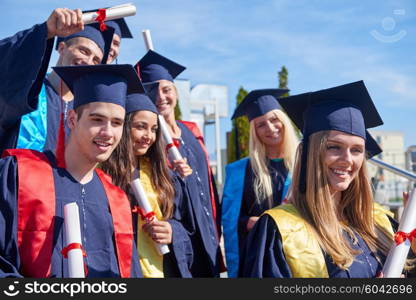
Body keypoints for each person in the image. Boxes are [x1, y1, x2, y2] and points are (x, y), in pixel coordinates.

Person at [241, 80, 416, 278]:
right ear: (311, 153)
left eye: (357, 150)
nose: (347, 160)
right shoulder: (280, 230)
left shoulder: (380, 221)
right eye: (334, 147)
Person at [0, 64, 143, 277]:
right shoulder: (20, 175)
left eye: (117, 123)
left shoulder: (117, 199)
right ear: (73, 119)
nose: (108, 132)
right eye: (97, 119)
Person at [135, 50, 223, 277]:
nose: (160, 97)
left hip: (208, 232)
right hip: (177, 241)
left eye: (166, 89)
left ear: (176, 92)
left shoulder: (191, 132)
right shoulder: (149, 145)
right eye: (152, 91)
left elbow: (209, 190)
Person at [100, 89, 194, 277]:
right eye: (141, 126)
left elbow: (186, 227)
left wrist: (171, 231)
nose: (149, 136)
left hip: (163, 269)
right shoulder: (102, 174)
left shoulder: (165, 176)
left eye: (154, 129)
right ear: (124, 127)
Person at [0, 8, 116, 155]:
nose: (88, 62)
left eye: (96, 60)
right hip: (18, 175)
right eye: (83, 51)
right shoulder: (26, 91)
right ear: (62, 48)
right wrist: (46, 31)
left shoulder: (87, 109)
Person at [221, 89, 299, 277]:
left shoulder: (304, 166)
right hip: (258, 258)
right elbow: (230, 220)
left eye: (274, 120)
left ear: (284, 122)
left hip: (298, 252)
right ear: (254, 132)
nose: (270, 128)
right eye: (261, 124)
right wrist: (247, 222)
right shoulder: (240, 171)